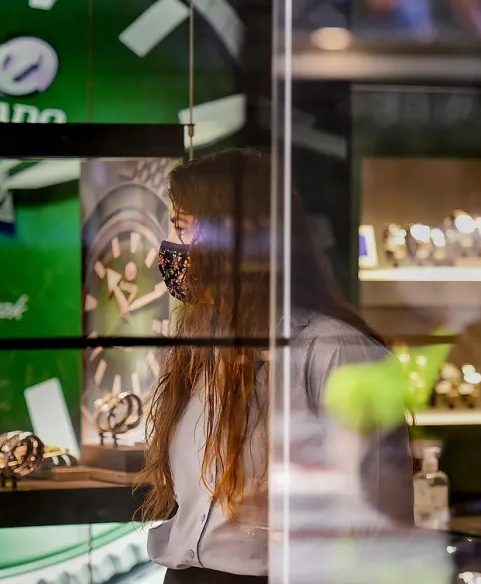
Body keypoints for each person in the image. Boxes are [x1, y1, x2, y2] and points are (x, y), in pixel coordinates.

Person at [138, 149, 416, 584]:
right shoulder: (205, 349)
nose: (172, 246)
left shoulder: (337, 351)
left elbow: (383, 528)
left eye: (185, 228)